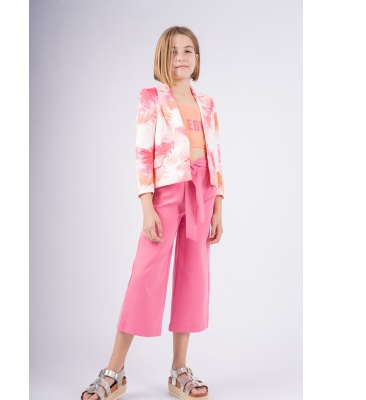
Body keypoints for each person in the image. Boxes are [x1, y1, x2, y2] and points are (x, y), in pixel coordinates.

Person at [81, 25, 225, 400]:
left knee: (194, 278)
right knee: (145, 275)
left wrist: (218, 205)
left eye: (188, 50)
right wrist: (147, 207)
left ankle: (179, 369)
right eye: (174, 50)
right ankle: (114, 370)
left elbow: (216, 154)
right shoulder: (152, 98)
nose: (182, 57)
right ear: (163, 57)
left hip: (202, 192)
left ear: (197, 58)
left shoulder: (207, 103)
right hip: (166, 193)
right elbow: (143, 154)